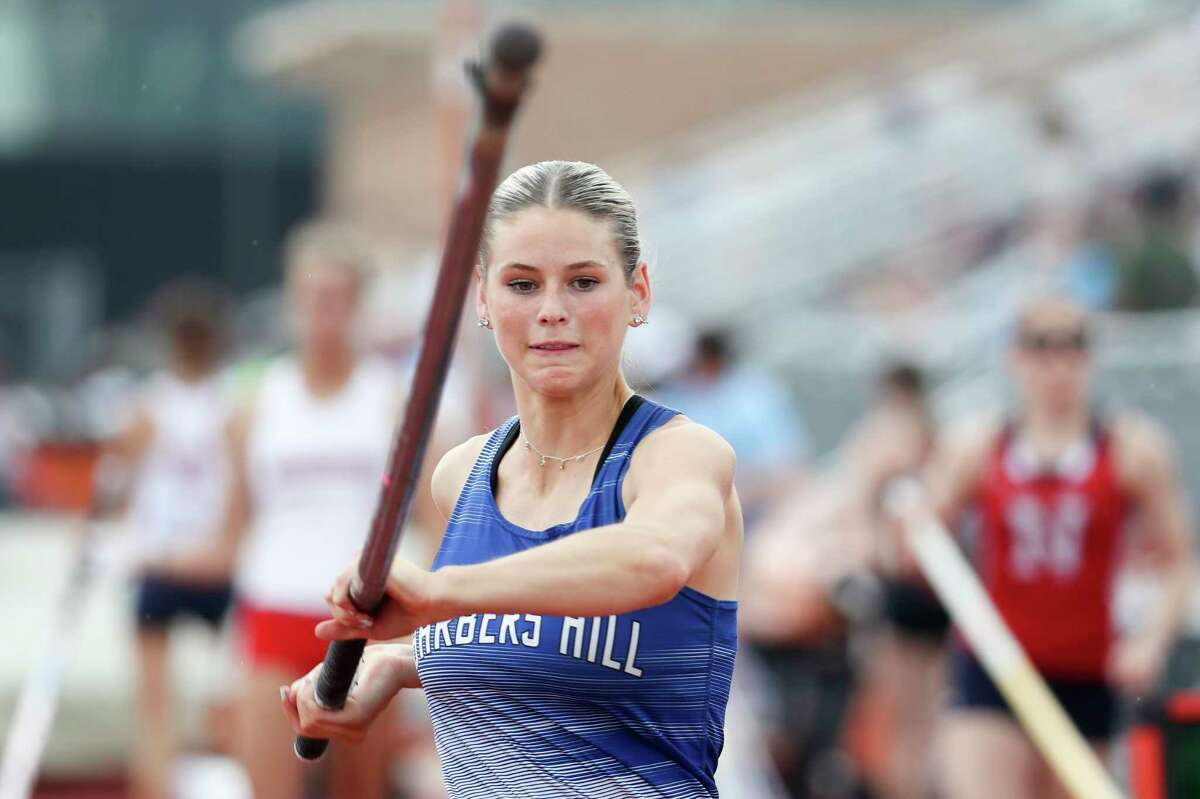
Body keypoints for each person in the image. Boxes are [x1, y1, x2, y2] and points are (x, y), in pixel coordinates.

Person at [281, 160, 743, 798]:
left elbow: (653, 560)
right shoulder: (461, 476)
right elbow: (529, 637)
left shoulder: (679, 456)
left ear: (638, 292)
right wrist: (398, 662)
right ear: (482, 298)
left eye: (583, 281)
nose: (552, 311)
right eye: (522, 285)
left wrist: (444, 593)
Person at [158, 222, 421, 799]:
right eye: (310, 298)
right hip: (273, 613)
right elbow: (231, 531)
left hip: (365, 621)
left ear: (359, 306)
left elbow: (431, 519)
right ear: (291, 302)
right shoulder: (254, 404)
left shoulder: (394, 402)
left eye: (336, 299)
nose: (322, 313)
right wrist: (154, 558)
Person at [926, 296, 1196, 799]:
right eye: (1040, 346)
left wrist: (1150, 641)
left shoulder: (1132, 450)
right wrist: (912, 519)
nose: (1056, 362)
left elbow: (1180, 561)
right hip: (998, 664)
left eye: (1072, 345)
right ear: (1016, 358)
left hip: (1084, 670)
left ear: (1088, 357)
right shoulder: (980, 446)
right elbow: (921, 539)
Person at [105, 280, 234, 799]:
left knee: (156, 705)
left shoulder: (147, 407)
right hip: (203, 564)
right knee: (199, 702)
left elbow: (115, 490)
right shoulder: (229, 404)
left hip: (180, 565)